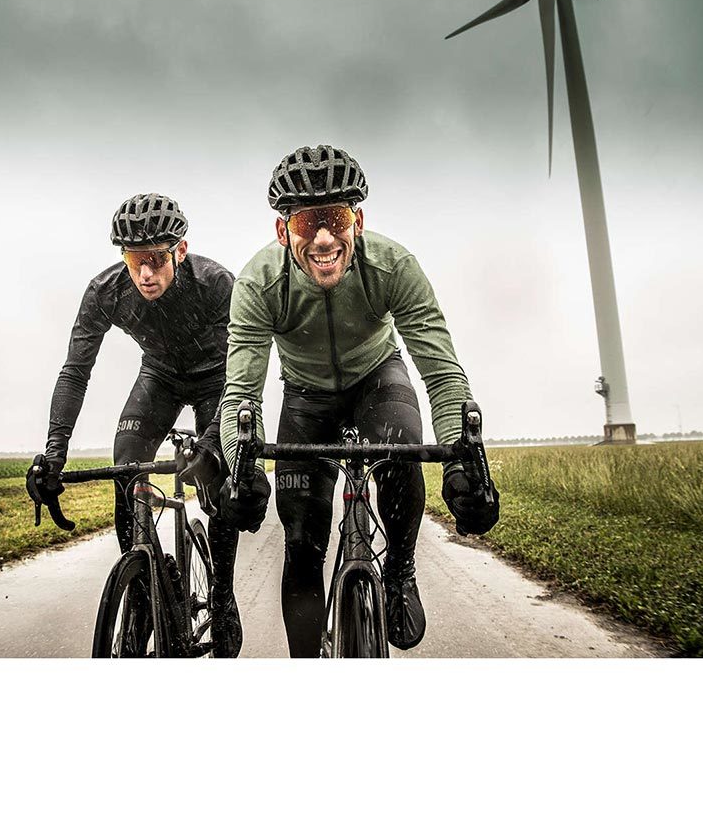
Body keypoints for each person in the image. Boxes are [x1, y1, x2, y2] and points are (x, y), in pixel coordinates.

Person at [211, 145, 499, 657]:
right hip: (305, 397)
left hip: (377, 379)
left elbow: (441, 373)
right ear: (283, 231)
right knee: (302, 547)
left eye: (336, 219)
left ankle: (400, 569)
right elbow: (241, 395)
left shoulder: (394, 266)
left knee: (401, 445)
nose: (323, 238)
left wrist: (463, 462)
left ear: (357, 222)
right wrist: (242, 468)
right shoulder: (259, 283)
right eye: (307, 223)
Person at [31, 193, 242, 657]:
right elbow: (75, 372)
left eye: (156, 260)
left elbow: (243, 373)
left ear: (180, 250)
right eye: (134, 260)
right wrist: (53, 453)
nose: (145, 273)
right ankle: (144, 588)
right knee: (126, 466)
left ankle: (222, 594)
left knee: (218, 480)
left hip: (217, 379)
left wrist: (213, 444)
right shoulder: (106, 290)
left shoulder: (216, 284)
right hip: (159, 378)